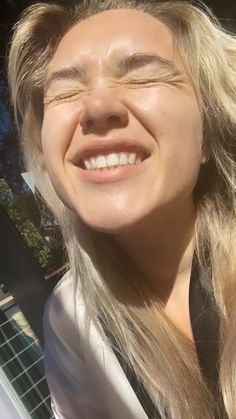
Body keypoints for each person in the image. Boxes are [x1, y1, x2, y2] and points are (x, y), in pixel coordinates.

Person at [7, 0, 236, 418]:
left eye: (142, 76)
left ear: (207, 132)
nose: (97, 108)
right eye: (67, 90)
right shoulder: (70, 322)